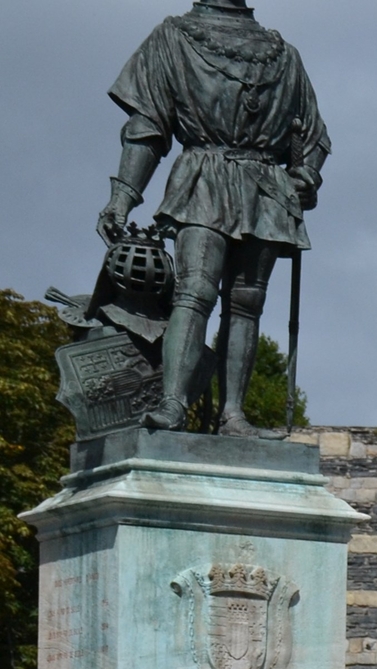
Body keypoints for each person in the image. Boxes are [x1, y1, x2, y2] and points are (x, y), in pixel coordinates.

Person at [97, 0, 330, 435]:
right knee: (195, 291)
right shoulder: (173, 37)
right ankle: (172, 404)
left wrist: (306, 174)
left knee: (247, 302)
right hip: (203, 177)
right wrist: (123, 197)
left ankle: (234, 415)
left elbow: (313, 135)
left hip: (264, 188)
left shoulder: (284, 55)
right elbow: (148, 128)